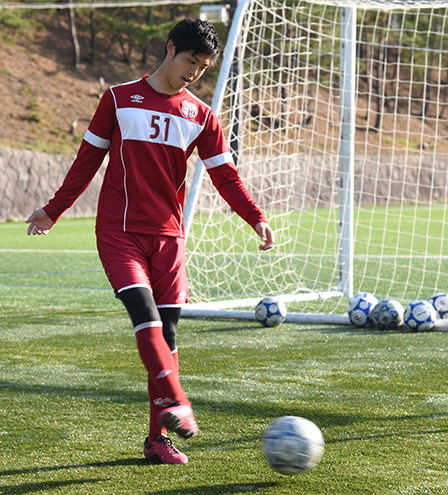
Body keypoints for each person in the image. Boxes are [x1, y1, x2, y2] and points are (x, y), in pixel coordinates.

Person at [25, 17, 275, 465]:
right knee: (146, 317)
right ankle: (179, 401)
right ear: (169, 48)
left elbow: (225, 176)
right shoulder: (119, 99)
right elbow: (87, 162)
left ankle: (157, 439)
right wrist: (53, 209)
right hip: (120, 233)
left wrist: (254, 217)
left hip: (169, 239)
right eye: (190, 60)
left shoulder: (201, 115)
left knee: (170, 335)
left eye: (204, 65)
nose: (195, 71)